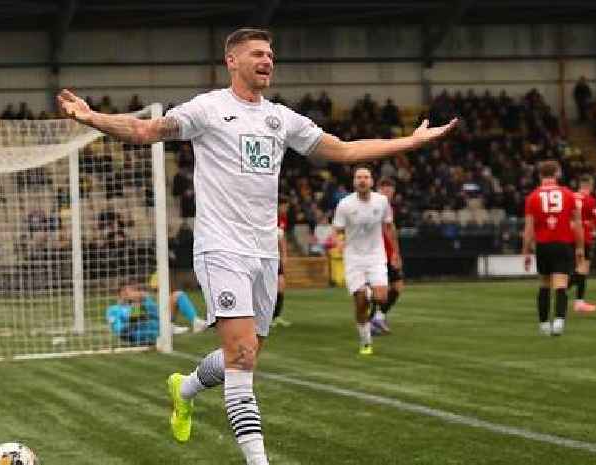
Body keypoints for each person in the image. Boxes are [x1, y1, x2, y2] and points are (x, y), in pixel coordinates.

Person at [57, 27, 456, 465]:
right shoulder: (208, 109)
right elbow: (145, 129)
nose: (268, 60)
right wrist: (92, 117)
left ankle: (185, 388)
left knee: (242, 354)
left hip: (264, 251)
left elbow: (343, 150)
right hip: (221, 247)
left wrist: (411, 142)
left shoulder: (282, 118)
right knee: (243, 358)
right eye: (257, 54)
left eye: (271, 54)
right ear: (232, 61)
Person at [333, 165, 395, 355]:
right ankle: (366, 342)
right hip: (353, 258)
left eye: (366, 177)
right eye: (359, 177)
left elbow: (388, 226)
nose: (362, 180)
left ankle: (368, 291)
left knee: (382, 296)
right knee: (360, 303)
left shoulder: (382, 201)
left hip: (376, 256)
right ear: (354, 182)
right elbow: (337, 230)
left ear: (371, 181)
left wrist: (394, 252)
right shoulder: (345, 204)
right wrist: (340, 243)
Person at [523, 160, 584, 336]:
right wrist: (580, 248)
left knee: (543, 284)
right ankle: (558, 322)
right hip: (563, 243)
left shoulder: (532, 197)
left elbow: (528, 229)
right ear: (557, 174)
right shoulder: (568, 194)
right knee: (561, 285)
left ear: (540, 175)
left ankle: (543, 325)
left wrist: (526, 252)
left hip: (543, 245)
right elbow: (577, 224)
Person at [105, 283, 206, 345]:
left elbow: (155, 311)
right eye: (127, 292)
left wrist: (143, 300)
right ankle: (166, 329)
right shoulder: (113, 310)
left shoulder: (140, 302)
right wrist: (136, 312)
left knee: (178, 295)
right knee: (146, 321)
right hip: (138, 332)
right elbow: (120, 330)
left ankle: (195, 321)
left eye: (132, 291)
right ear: (120, 295)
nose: (132, 294)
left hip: (156, 320)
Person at [569, 175, 596, 312]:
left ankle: (568, 293)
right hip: (583, 237)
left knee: (579, 268)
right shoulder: (590, 200)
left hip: (568, 237)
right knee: (583, 269)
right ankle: (574, 299)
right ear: (590, 186)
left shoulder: (570, 197)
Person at [369, 177, 403, 335]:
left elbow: (390, 230)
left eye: (391, 189)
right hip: (376, 253)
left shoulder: (386, 206)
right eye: (385, 188)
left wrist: (395, 253)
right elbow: (386, 230)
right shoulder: (375, 203)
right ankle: (373, 320)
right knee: (380, 288)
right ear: (379, 189)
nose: (388, 192)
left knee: (396, 286)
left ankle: (378, 317)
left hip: (386, 252)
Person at [271, 226, 290, 327]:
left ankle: (276, 316)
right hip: (264, 263)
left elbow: (283, 247)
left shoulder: (278, 231)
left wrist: (284, 259)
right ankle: (265, 317)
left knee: (281, 287)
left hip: (276, 262)